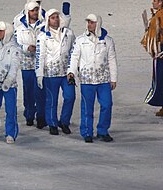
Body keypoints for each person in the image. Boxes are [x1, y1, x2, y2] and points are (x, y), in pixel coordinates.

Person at [68, 14, 118, 143]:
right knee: (87, 107)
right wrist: (71, 72)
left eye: (92, 22)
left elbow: (112, 59)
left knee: (107, 105)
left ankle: (103, 130)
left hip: (103, 79)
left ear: (98, 24)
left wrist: (113, 78)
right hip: (87, 79)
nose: (89, 25)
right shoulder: (80, 40)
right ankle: (86, 132)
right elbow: (74, 57)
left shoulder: (108, 40)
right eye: (88, 22)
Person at [37, 8, 76, 135]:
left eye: (57, 17)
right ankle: (52, 123)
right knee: (52, 100)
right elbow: (40, 56)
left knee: (70, 97)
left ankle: (64, 121)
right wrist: (39, 74)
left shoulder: (68, 33)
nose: (56, 20)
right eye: (53, 18)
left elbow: (74, 51)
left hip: (67, 73)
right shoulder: (43, 36)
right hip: (51, 73)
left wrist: (75, 70)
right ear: (48, 20)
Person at [16, 0, 47, 127]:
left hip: (41, 64)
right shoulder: (20, 27)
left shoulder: (45, 25)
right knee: (28, 92)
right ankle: (29, 114)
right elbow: (16, 43)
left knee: (40, 91)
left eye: (37, 10)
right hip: (27, 64)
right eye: (33, 10)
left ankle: (41, 117)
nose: (35, 12)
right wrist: (27, 47)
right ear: (27, 11)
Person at [141, 0, 163, 115]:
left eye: (154, 1)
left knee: (161, 79)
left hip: (161, 52)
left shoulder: (161, 15)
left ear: (160, 2)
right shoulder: (158, 15)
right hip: (159, 52)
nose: (152, 3)